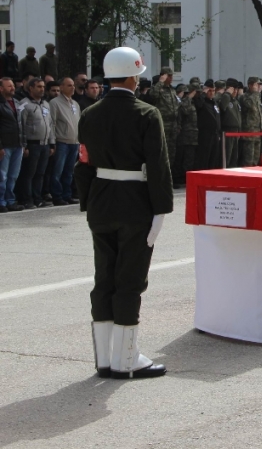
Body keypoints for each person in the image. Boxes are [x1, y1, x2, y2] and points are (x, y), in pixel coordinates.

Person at [75, 46, 172, 379]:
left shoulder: (89, 114)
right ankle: (126, 359)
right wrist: (161, 210)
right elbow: (158, 167)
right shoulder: (146, 114)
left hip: (101, 202)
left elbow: (84, 163)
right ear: (133, 76)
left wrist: (88, 202)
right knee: (130, 281)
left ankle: (104, 358)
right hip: (135, 204)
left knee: (104, 279)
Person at [19, 77, 55, 208]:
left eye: (43, 87)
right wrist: (24, 145)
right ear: (31, 88)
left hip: (44, 144)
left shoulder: (46, 104)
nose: (42, 89)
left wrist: (52, 143)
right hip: (32, 144)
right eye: (39, 87)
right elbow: (21, 126)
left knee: (40, 173)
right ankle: (27, 199)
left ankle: (38, 198)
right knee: (29, 173)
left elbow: (50, 125)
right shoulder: (24, 104)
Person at [49, 77, 81, 206]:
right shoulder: (55, 103)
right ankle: (57, 196)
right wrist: (53, 142)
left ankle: (67, 195)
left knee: (69, 171)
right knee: (58, 171)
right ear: (61, 87)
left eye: (73, 85)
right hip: (61, 142)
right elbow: (52, 123)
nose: (73, 87)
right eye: (69, 85)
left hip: (74, 142)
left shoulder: (75, 104)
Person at [148, 68, 181, 174]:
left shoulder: (172, 89)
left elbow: (177, 106)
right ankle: (160, 174)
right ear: (163, 76)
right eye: (169, 76)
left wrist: (178, 125)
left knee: (172, 152)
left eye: (171, 76)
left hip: (173, 124)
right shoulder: (158, 88)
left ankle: (169, 174)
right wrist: (160, 82)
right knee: (162, 150)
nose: (171, 78)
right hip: (163, 123)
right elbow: (152, 95)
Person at [0, 77, 25, 212]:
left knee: (13, 175)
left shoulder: (16, 102)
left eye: (13, 86)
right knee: (2, 176)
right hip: (5, 145)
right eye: (9, 86)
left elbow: (21, 124)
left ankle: (10, 200)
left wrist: (23, 143)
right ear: (1, 88)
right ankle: (1, 202)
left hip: (18, 144)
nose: (12, 88)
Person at [194, 79, 222, 170]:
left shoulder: (214, 103)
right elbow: (198, 105)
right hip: (205, 134)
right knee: (204, 157)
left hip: (215, 134)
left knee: (214, 157)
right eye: (209, 90)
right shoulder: (201, 101)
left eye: (213, 90)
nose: (212, 93)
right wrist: (203, 93)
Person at [239, 77, 262, 166]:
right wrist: (254, 93)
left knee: (256, 160)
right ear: (250, 85)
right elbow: (250, 105)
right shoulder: (245, 97)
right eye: (257, 84)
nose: (259, 87)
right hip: (249, 133)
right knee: (248, 160)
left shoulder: (257, 97)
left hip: (258, 132)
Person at [175, 84, 199, 183]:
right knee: (180, 158)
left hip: (192, 136)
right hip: (183, 135)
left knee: (189, 159)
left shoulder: (192, 102)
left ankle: (186, 179)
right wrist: (189, 97)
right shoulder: (182, 102)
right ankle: (178, 178)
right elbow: (184, 110)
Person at [217, 78, 242, 167]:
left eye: (236, 89)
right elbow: (223, 107)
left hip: (235, 131)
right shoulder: (225, 98)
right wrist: (227, 93)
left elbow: (238, 117)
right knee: (227, 155)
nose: (235, 91)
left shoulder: (235, 101)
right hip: (227, 130)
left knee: (234, 156)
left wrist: (239, 130)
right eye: (233, 89)